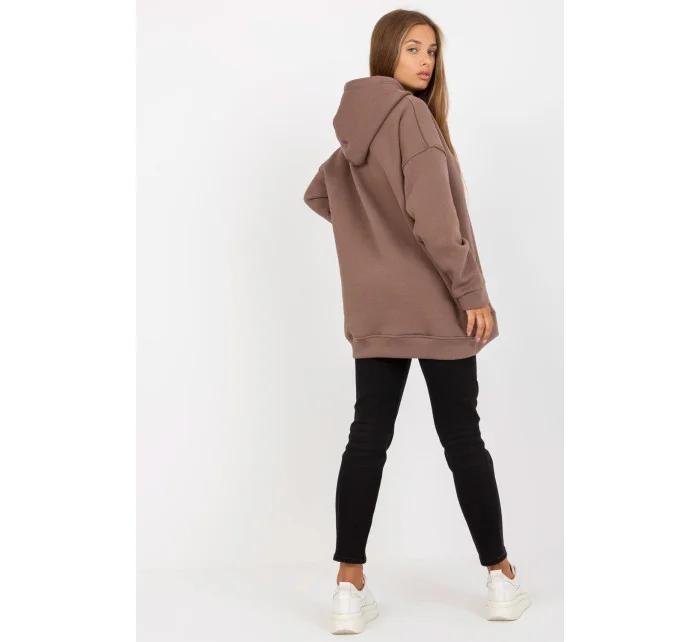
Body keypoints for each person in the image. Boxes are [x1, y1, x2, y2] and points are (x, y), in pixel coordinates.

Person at [303, 9, 530, 634]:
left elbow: (320, 194)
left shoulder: (355, 130)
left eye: (432, 50)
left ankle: (348, 585)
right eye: (412, 48)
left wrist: (375, 245)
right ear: (387, 53)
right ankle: (500, 576)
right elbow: (436, 220)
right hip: (434, 303)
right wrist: (471, 291)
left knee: (367, 437)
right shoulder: (412, 118)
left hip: (374, 307)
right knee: (462, 438)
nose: (426, 61)